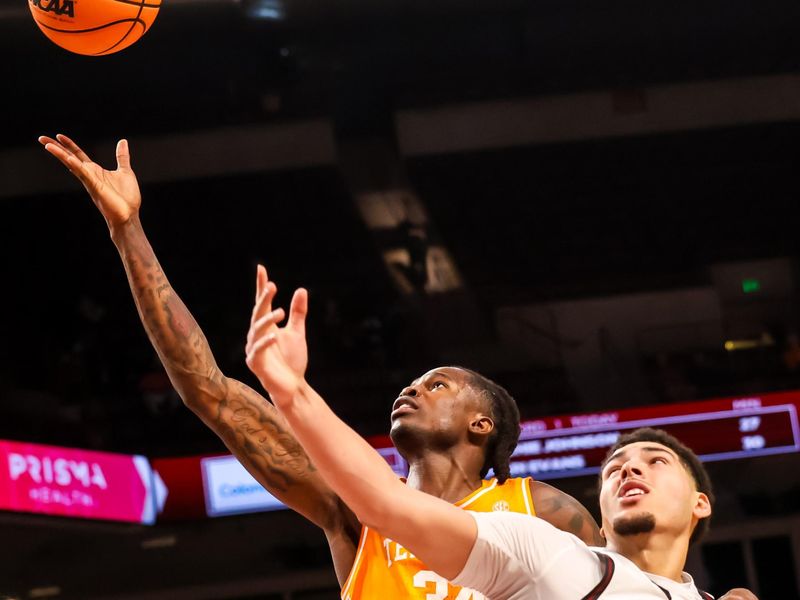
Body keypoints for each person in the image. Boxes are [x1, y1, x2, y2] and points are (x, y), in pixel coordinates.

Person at [39, 134, 603, 598]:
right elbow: (209, 391)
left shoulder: (541, 509)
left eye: (437, 384)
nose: (412, 389)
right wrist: (127, 230)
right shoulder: (355, 510)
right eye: (412, 382)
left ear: (483, 424)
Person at [244, 267, 758, 600]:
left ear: (700, 503)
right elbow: (382, 501)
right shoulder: (540, 551)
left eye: (655, 460)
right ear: (595, 516)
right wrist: (289, 391)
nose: (630, 468)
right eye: (614, 468)